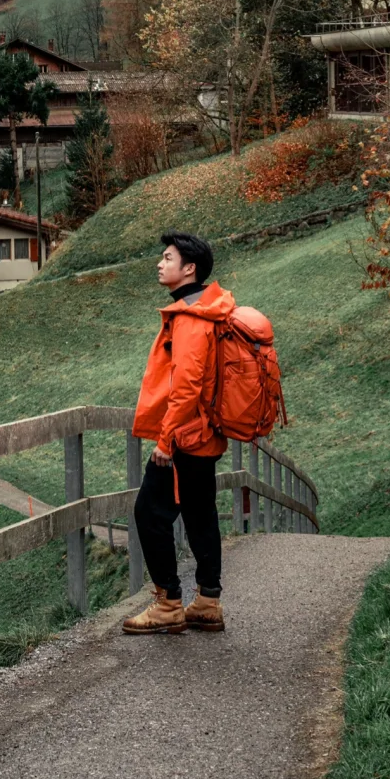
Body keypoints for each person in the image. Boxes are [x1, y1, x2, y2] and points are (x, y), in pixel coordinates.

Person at [122, 231, 229, 635]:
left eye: (167, 258)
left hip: (185, 437)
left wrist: (165, 441)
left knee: (149, 512)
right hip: (206, 435)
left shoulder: (190, 317)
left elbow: (186, 385)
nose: (159, 263)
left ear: (190, 269)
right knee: (201, 514)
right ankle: (207, 602)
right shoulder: (210, 308)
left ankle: (168, 602)